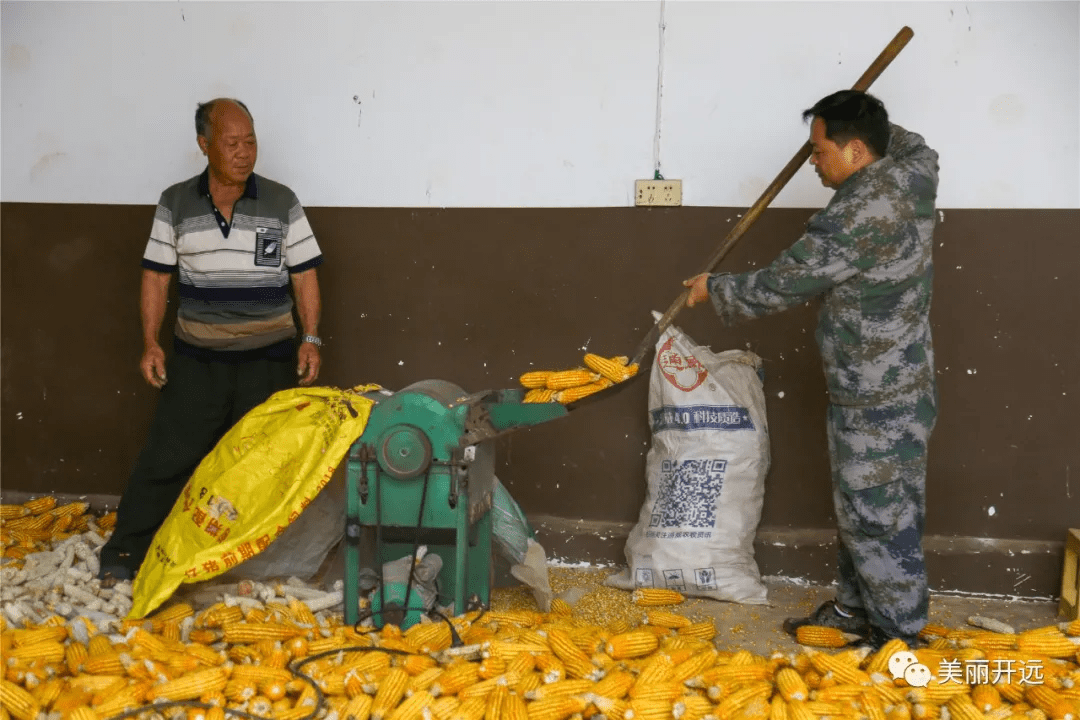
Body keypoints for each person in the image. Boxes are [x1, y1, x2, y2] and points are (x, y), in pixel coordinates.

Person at [683, 90, 939, 649]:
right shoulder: (914, 173)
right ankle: (856, 608)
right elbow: (915, 144)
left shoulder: (859, 212)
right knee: (863, 505)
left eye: (819, 150)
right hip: (893, 379)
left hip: (877, 391)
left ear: (854, 152)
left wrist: (715, 289)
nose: (812, 161)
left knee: (878, 514)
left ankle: (900, 636)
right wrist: (867, 121)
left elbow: (788, 279)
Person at [99, 98, 325, 585]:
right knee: (168, 455)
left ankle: (261, 561)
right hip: (197, 360)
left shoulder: (282, 201)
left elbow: (304, 275)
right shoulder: (176, 202)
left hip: (270, 358)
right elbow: (157, 277)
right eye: (231, 143)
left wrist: (310, 338)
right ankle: (126, 551)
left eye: (251, 141)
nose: (245, 152)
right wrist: (150, 343)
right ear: (204, 146)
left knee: (267, 462)